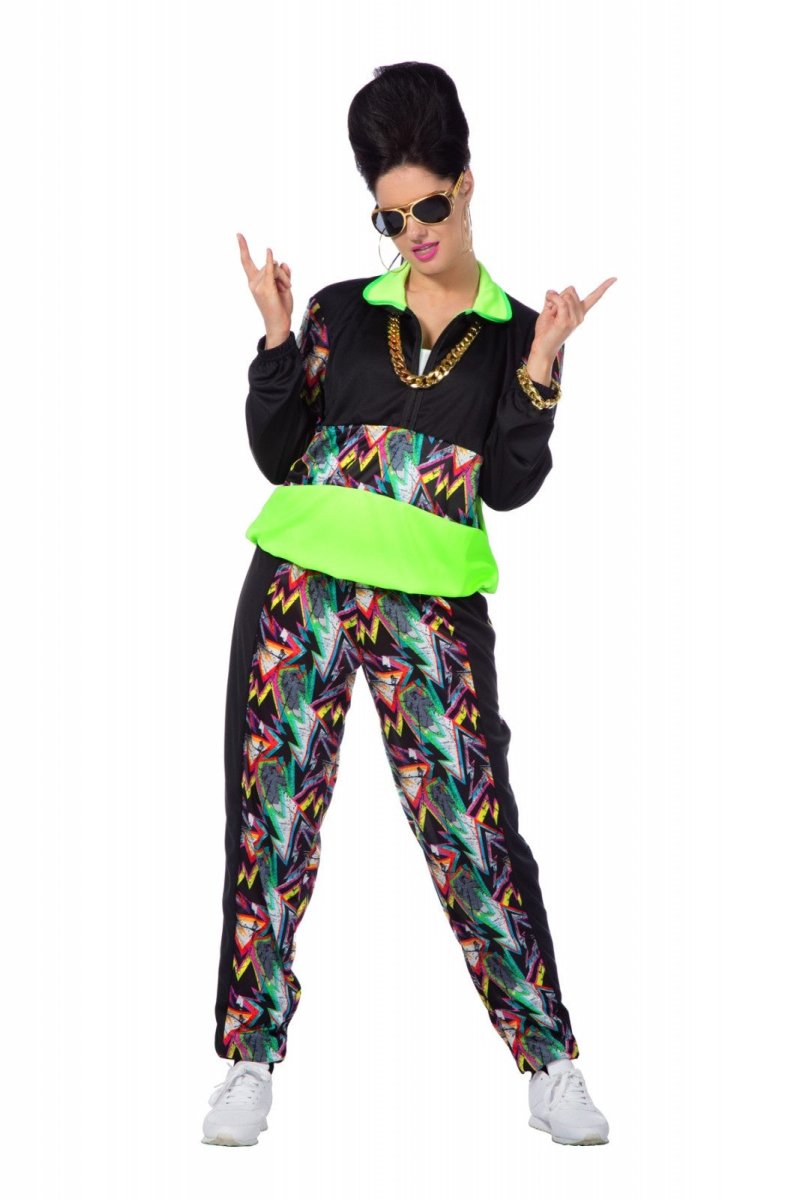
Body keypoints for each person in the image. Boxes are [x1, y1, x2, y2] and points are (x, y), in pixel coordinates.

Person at [201, 61, 616, 1149]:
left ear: (465, 184)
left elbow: (509, 485)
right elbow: (279, 454)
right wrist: (277, 339)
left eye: (427, 207)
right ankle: (248, 1057)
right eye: (388, 217)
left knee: (470, 826)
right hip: (297, 586)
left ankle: (549, 1062)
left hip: (429, 607)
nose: (411, 233)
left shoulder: (512, 331)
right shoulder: (343, 311)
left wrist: (542, 368)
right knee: (271, 814)